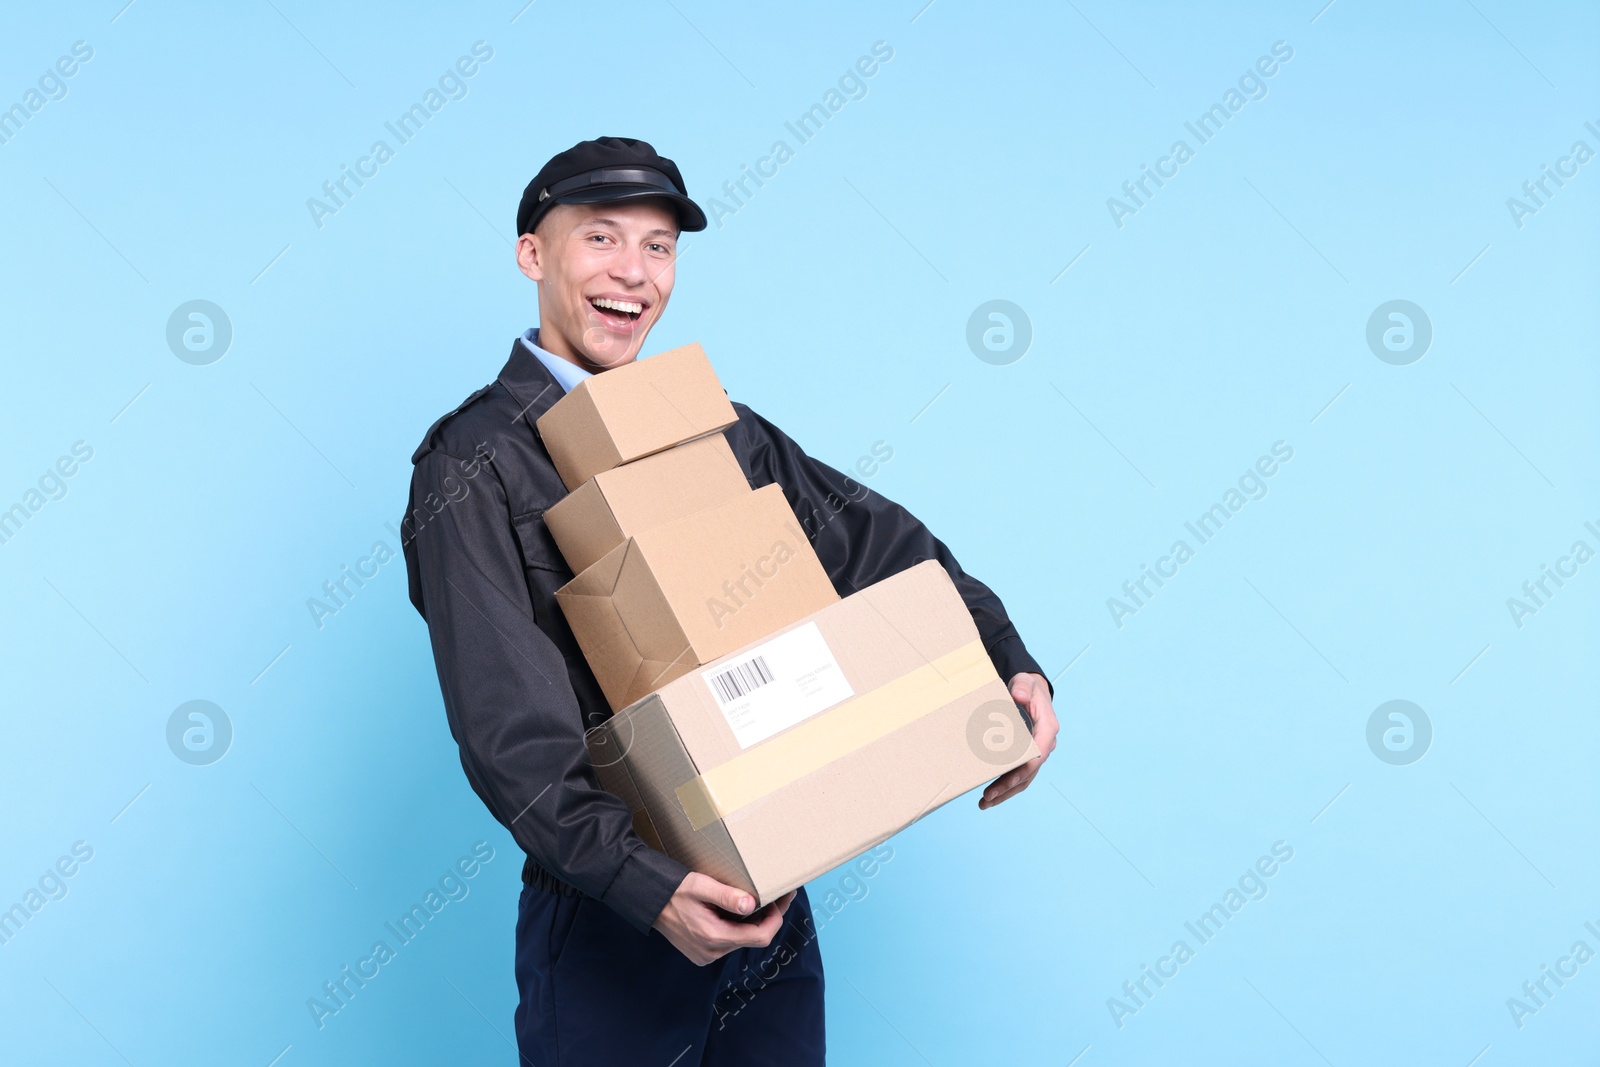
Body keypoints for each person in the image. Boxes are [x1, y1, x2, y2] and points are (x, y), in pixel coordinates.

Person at [401, 136, 1058, 1066]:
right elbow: (510, 730)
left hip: (769, 894)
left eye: (659, 246)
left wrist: (1008, 657)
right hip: (611, 917)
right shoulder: (473, 468)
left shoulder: (716, 429)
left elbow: (879, 544)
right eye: (601, 238)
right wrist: (643, 881)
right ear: (532, 253)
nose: (633, 273)